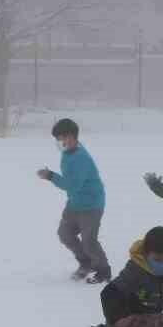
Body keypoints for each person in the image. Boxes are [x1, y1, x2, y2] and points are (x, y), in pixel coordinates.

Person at [38, 117, 110, 283]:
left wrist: (50, 176)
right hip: (75, 203)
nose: (59, 142)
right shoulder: (69, 151)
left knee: (89, 240)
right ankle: (86, 263)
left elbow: (73, 185)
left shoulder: (81, 157)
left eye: (61, 138)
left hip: (91, 204)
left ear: (71, 136)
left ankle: (103, 271)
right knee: (65, 234)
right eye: (57, 139)